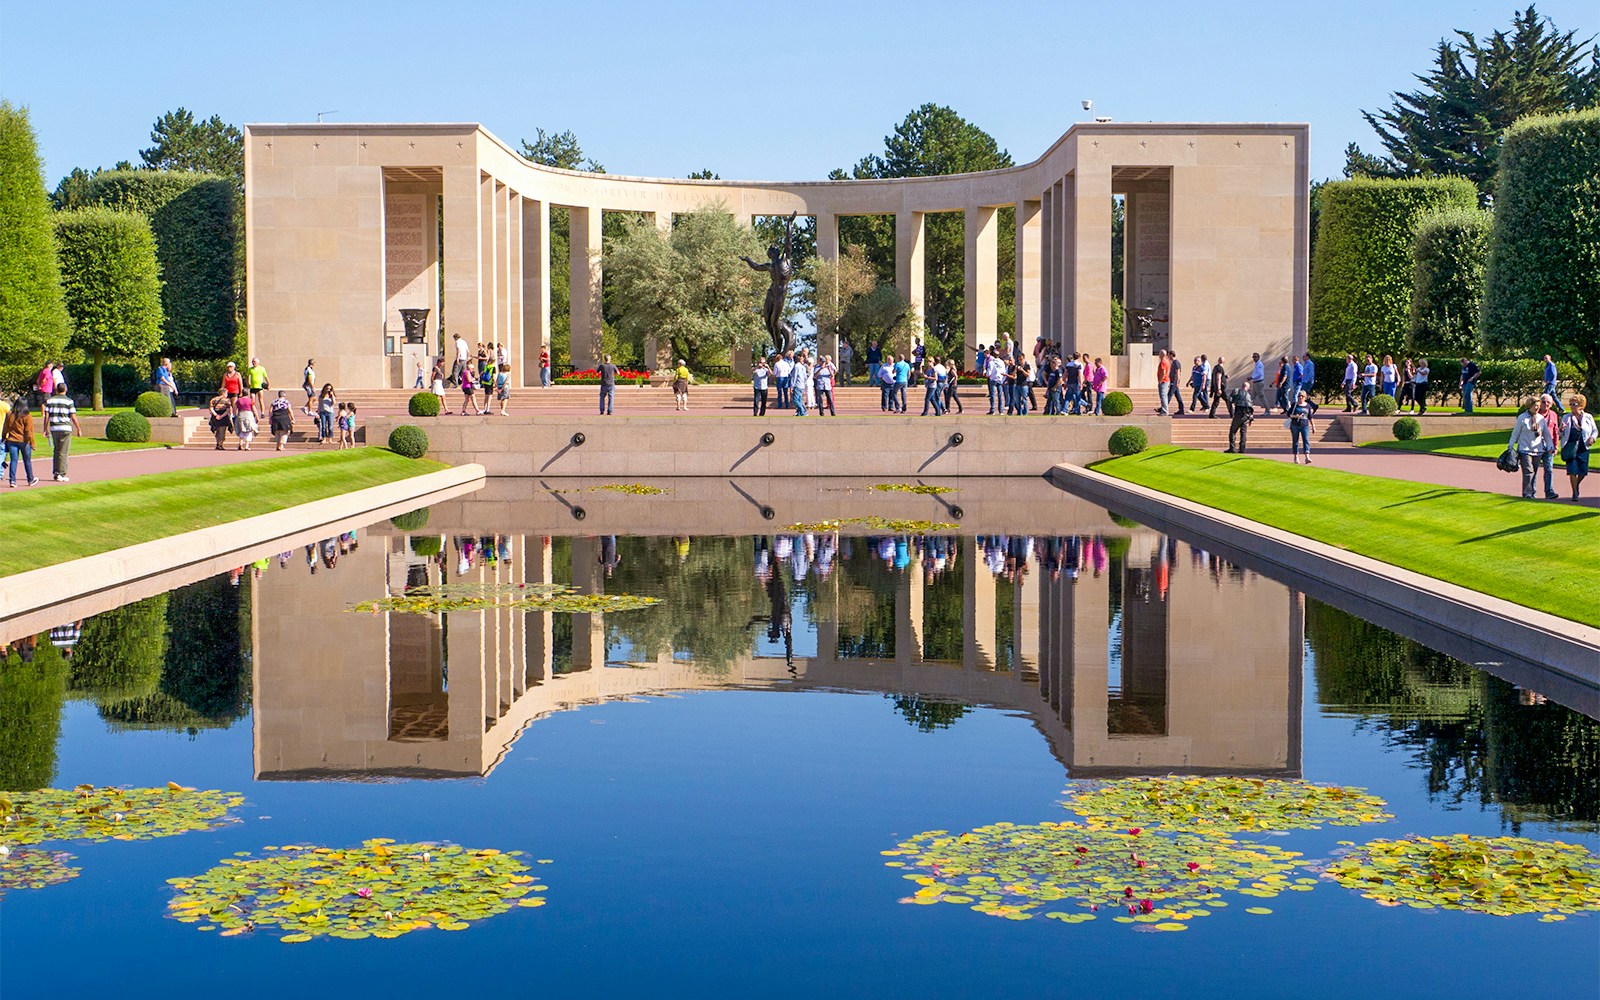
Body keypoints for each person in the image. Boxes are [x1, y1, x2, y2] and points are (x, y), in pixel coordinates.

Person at [1508, 398, 1554, 500]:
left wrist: (1550, 445)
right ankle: (1527, 493)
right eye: (1535, 405)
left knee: (1534, 472)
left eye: (1538, 405)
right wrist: (1510, 446)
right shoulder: (1522, 418)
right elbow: (1515, 433)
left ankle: (1533, 493)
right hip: (1525, 449)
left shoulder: (1541, 418)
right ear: (1529, 406)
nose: (1537, 408)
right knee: (1528, 471)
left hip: (1538, 449)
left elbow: (1546, 434)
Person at [1559, 394, 1596, 500]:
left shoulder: (1588, 417)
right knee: (1572, 471)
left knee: (1583, 471)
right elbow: (1560, 434)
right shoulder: (1566, 417)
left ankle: (1576, 485)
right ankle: (1575, 493)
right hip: (1570, 447)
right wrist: (1561, 429)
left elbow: (1594, 430)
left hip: (1583, 447)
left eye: (1574, 404)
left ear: (1581, 405)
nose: (1571, 406)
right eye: (1570, 404)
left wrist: (1592, 438)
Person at [3, 400, 38, 487]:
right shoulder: (27, 416)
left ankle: (12, 481)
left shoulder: (10, 414)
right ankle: (30, 479)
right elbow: (28, 431)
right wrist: (32, 443)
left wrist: (4, 437)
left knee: (13, 461)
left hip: (12, 440)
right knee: (27, 461)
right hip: (23, 441)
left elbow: (6, 427)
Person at [1226, 379, 1255, 453]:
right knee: (1243, 432)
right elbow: (1251, 408)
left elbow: (1229, 400)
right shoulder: (1248, 396)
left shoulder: (1237, 391)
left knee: (1232, 431)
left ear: (1242, 386)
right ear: (1247, 388)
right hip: (1246, 415)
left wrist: (1231, 412)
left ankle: (1232, 448)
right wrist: (1251, 418)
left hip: (1239, 414)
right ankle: (1242, 449)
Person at [1288, 389, 1314, 464]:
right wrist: (1295, 416)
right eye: (1299, 396)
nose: (1300, 398)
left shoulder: (1308, 406)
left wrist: (1313, 426)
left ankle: (1307, 457)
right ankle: (1296, 457)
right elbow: (1289, 414)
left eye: (1302, 396)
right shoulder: (1295, 405)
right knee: (1295, 441)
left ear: (1305, 397)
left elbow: (1310, 416)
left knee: (1306, 440)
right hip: (1295, 425)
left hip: (1304, 425)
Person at [791, 351, 811, 416]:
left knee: (795, 400)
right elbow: (805, 377)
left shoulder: (796, 366)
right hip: (802, 385)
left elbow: (794, 376)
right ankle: (799, 413)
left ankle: (803, 411)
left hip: (797, 385)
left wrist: (792, 386)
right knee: (799, 399)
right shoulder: (802, 366)